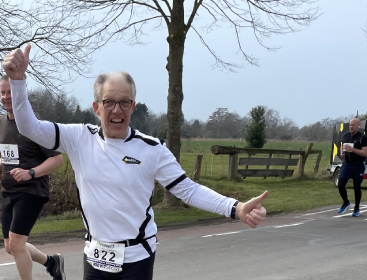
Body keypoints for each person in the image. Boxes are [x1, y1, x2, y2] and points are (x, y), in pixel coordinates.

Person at [2, 44, 268, 280]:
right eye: (109, 102)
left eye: (124, 103)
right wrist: (18, 81)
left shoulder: (152, 149)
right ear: (97, 108)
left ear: (133, 106)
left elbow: (187, 189)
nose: (117, 110)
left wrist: (236, 207)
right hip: (95, 256)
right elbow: (30, 128)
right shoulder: (79, 137)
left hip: (136, 259)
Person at [0, 75, 65, 280]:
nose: (6, 97)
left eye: (10, 92)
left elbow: (57, 160)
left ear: (20, 93)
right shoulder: (1, 123)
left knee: (17, 243)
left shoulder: (33, 125)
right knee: (11, 246)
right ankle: (51, 262)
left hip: (31, 191)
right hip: (8, 192)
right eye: (2, 92)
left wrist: (30, 173)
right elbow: (5, 154)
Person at [337, 118, 367, 217]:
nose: (351, 127)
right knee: (341, 183)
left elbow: (365, 153)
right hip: (347, 163)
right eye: (350, 125)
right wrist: (342, 153)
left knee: (357, 186)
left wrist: (353, 149)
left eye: (353, 125)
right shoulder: (345, 136)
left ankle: (356, 208)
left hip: (358, 164)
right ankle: (346, 202)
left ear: (358, 126)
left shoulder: (362, 138)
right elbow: (342, 146)